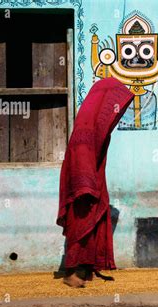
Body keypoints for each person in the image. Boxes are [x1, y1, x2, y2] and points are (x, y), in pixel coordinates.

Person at [56, 77, 134, 288]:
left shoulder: (95, 127)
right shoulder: (85, 131)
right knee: (81, 223)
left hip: (94, 182)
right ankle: (71, 273)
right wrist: (87, 186)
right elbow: (81, 158)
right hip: (83, 187)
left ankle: (86, 268)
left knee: (94, 222)